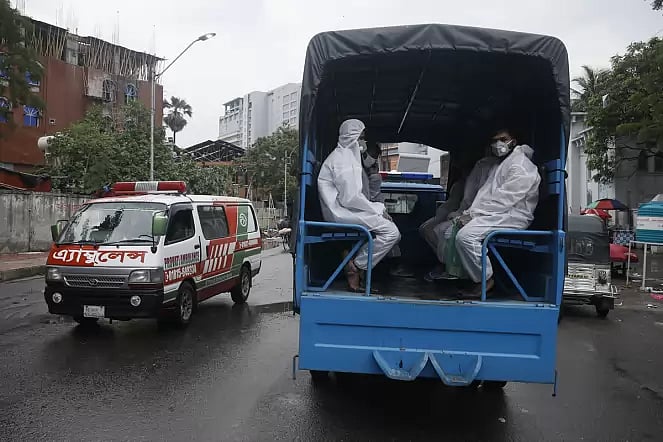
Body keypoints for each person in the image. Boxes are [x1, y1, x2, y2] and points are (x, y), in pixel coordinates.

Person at [454, 128, 541, 294]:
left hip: (514, 216)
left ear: (513, 141)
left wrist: (473, 214)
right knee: (455, 232)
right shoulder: (502, 164)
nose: (497, 144)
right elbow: (488, 196)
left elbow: (505, 200)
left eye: (502, 139)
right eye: (494, 140)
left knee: (466, 237)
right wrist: (470, 213)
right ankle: (470, 277)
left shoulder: (522, 167)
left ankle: (485, 280)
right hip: (499, 214)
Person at [318, 119, 401, 291]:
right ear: (353, 137)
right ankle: (356, 266)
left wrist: (376, 210)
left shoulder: (346, 158)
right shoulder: (343, 162)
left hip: (344, 210)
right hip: (341, 213)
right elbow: (351, 198)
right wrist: (377, 209)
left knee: (390, 229)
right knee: (391, 232)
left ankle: (357, 266)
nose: (363, 142)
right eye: (362, 137)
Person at [420, 153, 499, 281]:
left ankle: (463, 273)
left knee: (452, 233)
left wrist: (467, 215)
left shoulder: (490, 176)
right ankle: (448, 266)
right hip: (465, 214)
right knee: (431, 229)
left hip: (483, 217)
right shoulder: (463, 183)